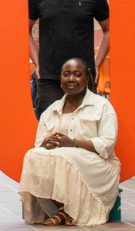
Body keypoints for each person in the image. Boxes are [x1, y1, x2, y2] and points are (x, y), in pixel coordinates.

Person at [18, 58, 120, 226]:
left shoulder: (102, 106)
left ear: (87, 78)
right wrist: (47, 144)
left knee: (63, 156)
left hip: (98, 166)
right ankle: (64, 210)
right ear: (61, 80)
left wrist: (72, 143)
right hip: (62, 160)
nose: (71, 79)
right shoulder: (51, 111)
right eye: (66, 75)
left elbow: (107, 144)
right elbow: (38, 145)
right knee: (32, 155)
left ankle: (69, 210)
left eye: (77, 75)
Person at [28, 0, 110, 120]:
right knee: (48, 136)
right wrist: (37, 63)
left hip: (83, 78)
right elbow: (23, 30)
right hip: (49, 79)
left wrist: (96, 64)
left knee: (84, 132)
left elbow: (109, 30)